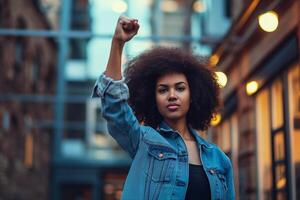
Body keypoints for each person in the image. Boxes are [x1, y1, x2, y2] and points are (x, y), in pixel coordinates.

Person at [92, 16, 235, 200]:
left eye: (180, 88)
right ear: (154, 98)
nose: (172, 95)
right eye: (163, 90)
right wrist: (118, 43)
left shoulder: (219, 160)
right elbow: (114, 105)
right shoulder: (143, 141)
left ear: (193, 95)